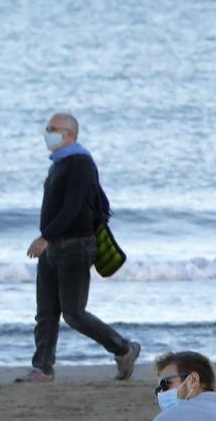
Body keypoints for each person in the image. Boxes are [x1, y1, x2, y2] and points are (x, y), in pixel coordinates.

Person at [18, 113, 140, 383]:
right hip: (53, 247)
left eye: (52, 129)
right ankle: (43, 368)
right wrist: (48, 240)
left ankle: (124, 348)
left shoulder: (80, 163)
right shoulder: (59, 164)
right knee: (46, 312)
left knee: (73, 313)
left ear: (69, 134)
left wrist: (44, 237)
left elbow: (73, 208)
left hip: (75, 245)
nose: (46, 133)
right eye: (47, 128)